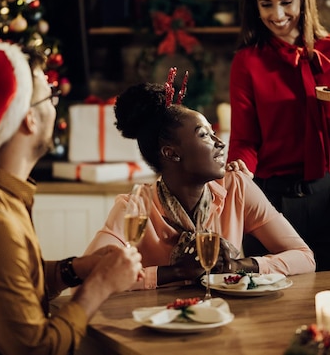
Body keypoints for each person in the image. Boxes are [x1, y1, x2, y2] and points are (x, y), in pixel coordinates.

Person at [0, 41, 143, 355]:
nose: (55, 105)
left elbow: (9, 285)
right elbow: (38, 350)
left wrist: (76, 269)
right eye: (50, 96)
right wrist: (100, 284)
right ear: (28, 119)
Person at [83, 73, 315, 290]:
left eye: (213, 132)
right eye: (204, 135)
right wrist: (174, 272)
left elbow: (304, 257)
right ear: (171, 153)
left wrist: (239, 266)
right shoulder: (134, 207)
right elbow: (89, 274)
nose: (220, 143)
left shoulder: (236, 187)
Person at [228, 0, 330, 272]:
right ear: (255, 6)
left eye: (286, 2)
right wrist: (238, 169)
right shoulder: (247, 62)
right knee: (269, 308)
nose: (277, 15)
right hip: (271, 206)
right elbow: (245, 139)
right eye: (266, 4)